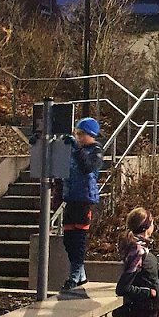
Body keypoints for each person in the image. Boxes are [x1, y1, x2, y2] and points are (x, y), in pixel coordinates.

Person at [61, 116, 103, 292]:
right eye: (76, 133)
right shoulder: (75, 150)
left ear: (90, 135)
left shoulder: (95, 151)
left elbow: (87, 167)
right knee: (68, 239)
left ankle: (74, 275)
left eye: (81, 134)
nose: (78, 137)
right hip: (71, 197)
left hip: (84, 199)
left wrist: (77, 149)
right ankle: (81, 275)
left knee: (78, 239)